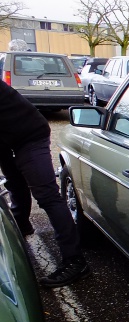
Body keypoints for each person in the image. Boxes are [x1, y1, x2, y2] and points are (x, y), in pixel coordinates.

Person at [0, 81, 90, 287]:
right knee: (15, 184)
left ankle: (75, 261)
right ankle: (22, 227)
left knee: (46, 195)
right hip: (5, 137)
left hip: (29, 134)